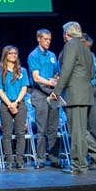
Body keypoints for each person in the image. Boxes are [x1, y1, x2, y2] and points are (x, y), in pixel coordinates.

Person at [50, 21, 96, 174]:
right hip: (85, 92)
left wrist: (57, 90)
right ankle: (84, 162)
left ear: (66, 33)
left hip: (74, 93)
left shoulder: (71, 45)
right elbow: (93, 72)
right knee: (80, 131)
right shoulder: (85, 48)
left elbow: (66, 68)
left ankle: (78, 165)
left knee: (76, 131)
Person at [28, 29, 61, 168]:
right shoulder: (34, 55)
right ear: (39, 39)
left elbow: (57, 74)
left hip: (53, 94)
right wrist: (50, 82)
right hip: (40, 94)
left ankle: (54, 159)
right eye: (46, 39)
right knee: (41, 129)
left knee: (53, 128)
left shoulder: (52, 55)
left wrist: (56, 81)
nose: (48, 41)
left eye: (50, 39)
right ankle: (40, 160)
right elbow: (36, 77)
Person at [0, 46, 29, 169]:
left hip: (20, 104)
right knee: (7, 134)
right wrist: (9, 104)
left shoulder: (22, 71)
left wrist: (16, 103)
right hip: (5, 104)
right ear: (5, 56)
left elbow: (24, 88)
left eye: (15, 53)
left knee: (20, 133)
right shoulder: (0, 72)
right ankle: (9, 160)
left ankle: (19, 161)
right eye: (11, 53)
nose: (14, 55)